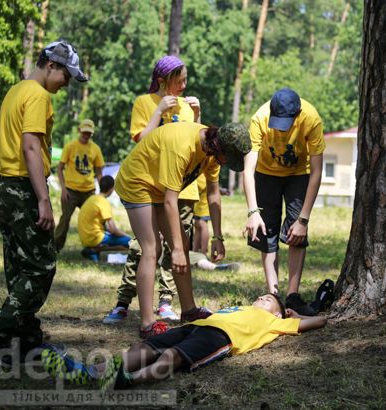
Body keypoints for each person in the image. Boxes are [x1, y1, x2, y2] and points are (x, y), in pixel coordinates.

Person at [0, 40, 87, 364]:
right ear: (51, 65)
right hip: (21, 190)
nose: (67, 83)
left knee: (19, 267)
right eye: (66, 75)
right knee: (42, 266)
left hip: (3, 188)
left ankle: (24, 343)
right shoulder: (39, 96)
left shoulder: (16, 91)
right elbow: (30, 147)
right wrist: (44, 199)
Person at [113, 121, 250, 338]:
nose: (226, 164)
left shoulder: (212, 153)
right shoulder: (182, 146)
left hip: (158, 187)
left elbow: (213, 195)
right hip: (136, 182)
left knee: (183, 244)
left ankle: (189, 310)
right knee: (152, 248)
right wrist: (175, 248)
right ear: (218, 146)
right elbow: (170, 201)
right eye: (228, 159)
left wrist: (217, 236)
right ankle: (148, 323)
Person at [41, 293, 327, 389]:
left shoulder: (276, 322)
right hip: (197, 326)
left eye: (267, 300)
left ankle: (128, 380)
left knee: (172, 358)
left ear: (277, 312)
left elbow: (318, 321)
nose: (261, 299)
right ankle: (91, 372)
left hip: (220, 337)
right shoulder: (240, 308)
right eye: (261, 295)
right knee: (146, 348)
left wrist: (292, 312)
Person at [103, 56, 202, 325]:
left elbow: (192, 141)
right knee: (145, 247)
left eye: (185, 80)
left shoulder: (184, 104)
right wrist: (158, 112)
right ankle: (125, 302)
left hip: (171, 186)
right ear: (162, 81)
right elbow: (141, 142)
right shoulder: (144, 103)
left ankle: (172, 304)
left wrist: (198, 116)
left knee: (176, 244)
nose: (183, 85)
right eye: (178, 80)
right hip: (144, 182)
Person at [244, 88, 325, 316]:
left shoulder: (311, 119)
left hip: (298, 175)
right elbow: (248, 169)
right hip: (265, 173)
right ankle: (273, 294)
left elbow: (317, 172)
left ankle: (292, 295)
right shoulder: (259, 118)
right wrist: (252, 211)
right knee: (266, 231)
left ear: (298, 114)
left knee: (296, 233)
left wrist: (303, 219)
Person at [54, 119, 104, 252]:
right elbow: (60, 169)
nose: (86, 135)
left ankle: (93, 247)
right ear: (79, 131)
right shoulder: (70, 146)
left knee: (94, 219)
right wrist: (63, 189)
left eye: (89, 133)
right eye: (84, 132)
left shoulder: (95, 149)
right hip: (70, 191)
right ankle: (55, 247)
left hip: (89, 191)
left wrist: (102, 193)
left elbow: (99, 173)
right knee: (65, 219)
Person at [78, 175, 131, 262]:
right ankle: (95, 249)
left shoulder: (92, 198)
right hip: (95, 238)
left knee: (108, 239)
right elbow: (112, 229)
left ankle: (92, 252)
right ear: (111, 188)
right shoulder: (103, 202)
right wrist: (127, 236)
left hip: (85, 239)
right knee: (128, 242)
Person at [192, 173, 211, 255]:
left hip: (203, 205)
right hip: (197, 204)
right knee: (197, 226)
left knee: (202, 225)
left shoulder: (202, 171)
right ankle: (195, 252)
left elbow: (203, 185)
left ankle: (203, 253)